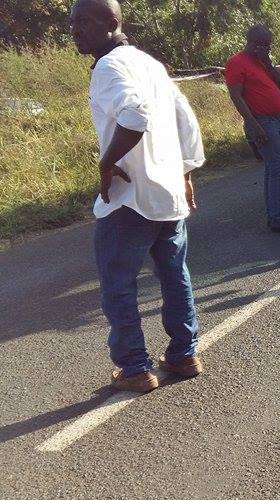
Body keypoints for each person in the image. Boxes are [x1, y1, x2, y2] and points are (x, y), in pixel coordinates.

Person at [70, 0, 205, 392]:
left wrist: (105, 163)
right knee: (175, 276)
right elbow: (185, 119)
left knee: (118, 284)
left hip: (131, 197)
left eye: (84, 21)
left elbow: (135, 115)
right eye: (72, 22)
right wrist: (185, 172)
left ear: (113, 22)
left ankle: (134, 368)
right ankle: (184, 354)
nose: (76, 29)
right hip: (167, 192)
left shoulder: (109, 66)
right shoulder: (149, 64)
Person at [225, 25, 280, 233]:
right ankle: (278, 218)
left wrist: (268, 64)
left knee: (272, 170)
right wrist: (254, 125)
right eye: (264, 46)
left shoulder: (263, 62)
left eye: (269, 46)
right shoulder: (236, 62)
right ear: (252, 43)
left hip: (276, 120)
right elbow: (236, 96)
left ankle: (275, 216)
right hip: (261, 122)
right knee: (278, 169)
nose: (267, 49)